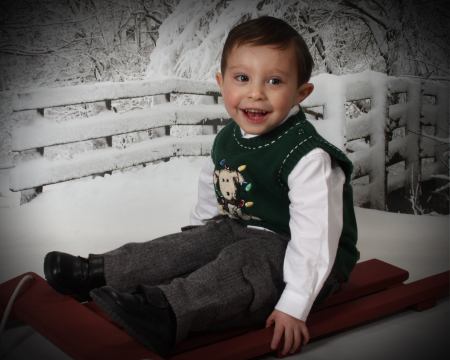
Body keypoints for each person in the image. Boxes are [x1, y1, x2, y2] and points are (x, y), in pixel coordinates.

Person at [43, 16, 359, 357]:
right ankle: (98, 273)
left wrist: (295, 303)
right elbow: (213, 185)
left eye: (274, 81)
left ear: (300, 92)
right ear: (221, 83)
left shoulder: (307, 157)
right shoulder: (228, 137)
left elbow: (315, 239)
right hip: (243, 229)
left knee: (247, 258)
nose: (255, 93)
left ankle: (166, 311)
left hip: (306, 260)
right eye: (242, 78)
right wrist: (197, 240)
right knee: (193, 242)